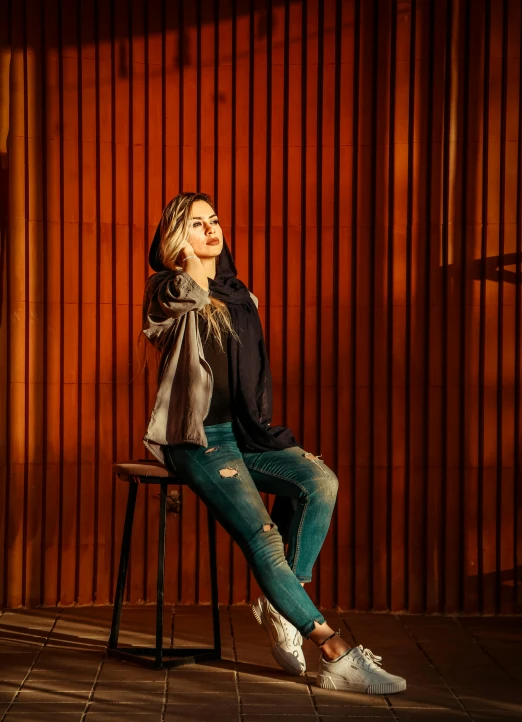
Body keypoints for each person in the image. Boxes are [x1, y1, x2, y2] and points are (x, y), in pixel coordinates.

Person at [138, 191, 406, 694]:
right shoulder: (168, 291)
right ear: (177, 239)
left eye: (214, 220)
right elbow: (192, 296)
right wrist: (191, 261)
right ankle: (335, 651)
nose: (212, 229)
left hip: (244, 435)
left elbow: (253, 384)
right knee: (262, 537)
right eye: (197, 224)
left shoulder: (242, 298)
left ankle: (281, 599)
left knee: (319, 480)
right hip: (197, 440)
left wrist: (275, 441)